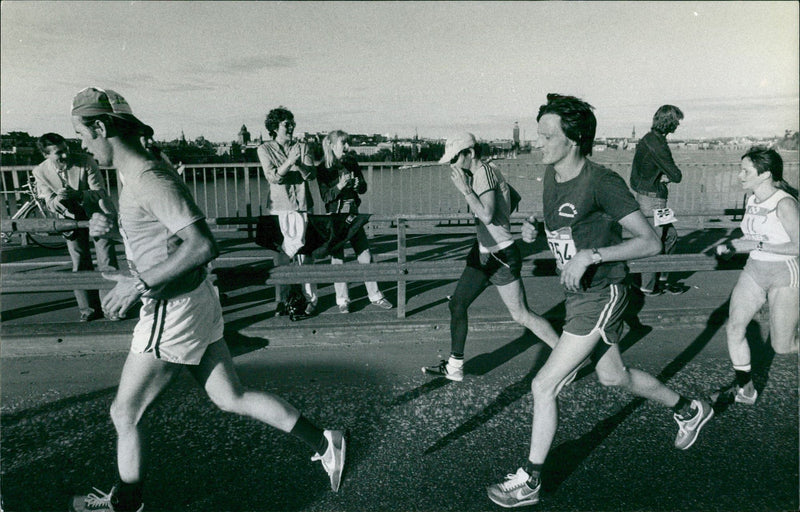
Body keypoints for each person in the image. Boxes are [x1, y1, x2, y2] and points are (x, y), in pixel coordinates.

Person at [69, 87, 345, 512]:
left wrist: (136, 283)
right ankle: (326, 442)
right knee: (229, 397)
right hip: (193, 301)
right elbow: (157, 232)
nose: (83, 147)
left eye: (83, 136)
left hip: (172, 308)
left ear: (101, 127)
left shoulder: (147, 176)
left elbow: (201, 245)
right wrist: (107, 226)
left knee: (125, 413)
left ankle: (126, 504)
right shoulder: (137, 173)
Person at [487, 95, 713, 508]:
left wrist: (592, 256)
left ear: (573, 140)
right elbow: (571, 231)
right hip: (578, 297)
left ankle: (531, 480)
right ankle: (688, 407)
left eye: (546, 136)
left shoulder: (602, 181)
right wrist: (536, 230)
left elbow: (650, 242)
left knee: (543, 384)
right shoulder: (553, 176)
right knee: (614, 377)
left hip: (603, 292)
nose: (538, 143)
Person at [421, 132, 560, 382]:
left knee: (521, 315)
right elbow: (514, 198)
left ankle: (567, 356)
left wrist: (466, 191)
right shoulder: (488, 170)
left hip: (500, 255)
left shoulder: (483, 173)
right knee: (457, 304)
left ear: (470, 154)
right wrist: (501, 213)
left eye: (455, 158)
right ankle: (454, 367)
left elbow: (486, 215)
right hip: (483, 251)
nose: (452, 165)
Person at [713, 147, 798, 405]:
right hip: (755, 270)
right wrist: (732, 247)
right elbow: (753, 237)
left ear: (765, 175)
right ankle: (746, 389)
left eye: (745, 171)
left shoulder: (784, 203)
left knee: (782, 347)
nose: (739, 176)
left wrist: (754, 246)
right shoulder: (751, 200)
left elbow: (798, 246)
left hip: (784, 273)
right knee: (735, 327)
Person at [32, 132, 119, 322]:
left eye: (65, 150)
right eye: (58, 153)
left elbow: (99, 192)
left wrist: (79, 195)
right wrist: (59, 199)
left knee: (106, 259)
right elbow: (48, 201)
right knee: (80, 262)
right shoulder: (39, 171)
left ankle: (111, 306)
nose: (65, 156)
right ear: (46, 155)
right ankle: (88, 309)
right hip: (69, 217)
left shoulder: (86, 161)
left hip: (96, 213)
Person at [316, 130, 393, 313]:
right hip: (335, 217)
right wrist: (340, 185)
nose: (348, 147)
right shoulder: (323, 168)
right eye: (344, 144)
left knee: (365, 254)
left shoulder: (351, 162)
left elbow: (364, 188)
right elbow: (326, 197)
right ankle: (342, 300)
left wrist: (359, 185)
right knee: (338, 259)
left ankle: (375, 295)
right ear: (333, 146)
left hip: (353, 214)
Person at [257, 106, 319, 316]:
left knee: (305, 255)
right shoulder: (264, 149)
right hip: (278, 208)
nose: (291, 126)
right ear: (275, 127)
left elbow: (311, 175)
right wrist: (289, 162)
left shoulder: (303, 146)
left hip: (302, 205)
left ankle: (311, 299)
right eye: (286, 124)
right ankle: (283, 300)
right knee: (282, 257)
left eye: (292, 123)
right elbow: (273, 177)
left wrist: (299, 163)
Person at [629, 104, 688, 295]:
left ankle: (661, 279)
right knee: (653, 241)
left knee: (670, 237)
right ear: (669, 122)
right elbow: (677, 175)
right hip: (654, 202)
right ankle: (647, 286)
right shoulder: (659, 145)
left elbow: (636, 176)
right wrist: (664, 177)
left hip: (649, 197)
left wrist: (656, 178)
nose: (678, 125)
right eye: (677, 121)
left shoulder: (647, 139)